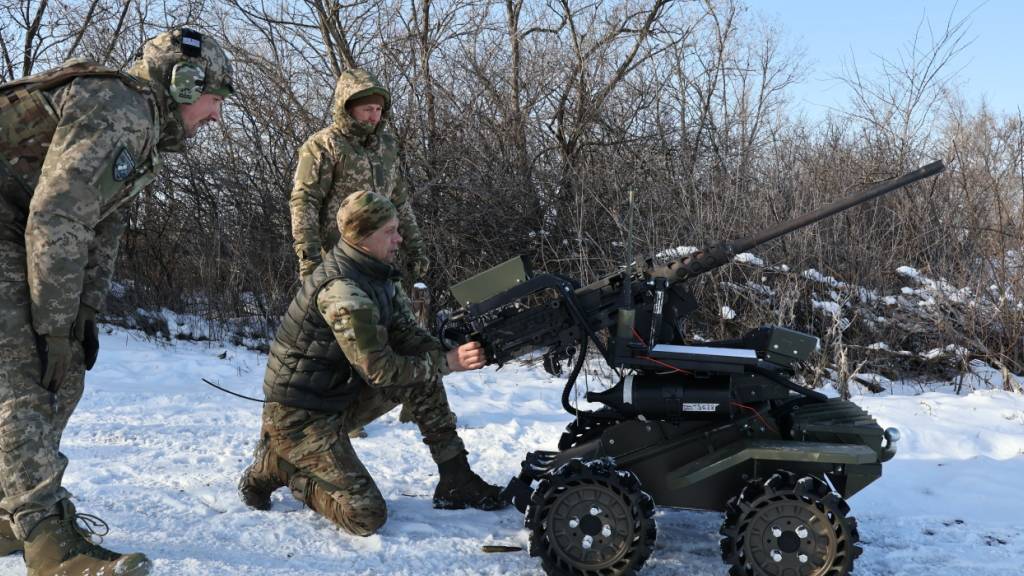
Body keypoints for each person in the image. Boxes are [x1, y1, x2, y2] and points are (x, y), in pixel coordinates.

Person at [0, 28, 232, 576]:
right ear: (183, 83)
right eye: (216, 98)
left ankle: (9, 512)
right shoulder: (120, 105)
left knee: (66, 372)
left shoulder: (141, 126)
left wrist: (80, 317)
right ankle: (45, 538)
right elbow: (58, 216)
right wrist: (51, 328)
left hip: (16, 222)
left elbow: (102, 224)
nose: (217, 115)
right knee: (27, 372)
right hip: (15, 224)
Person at [238, 191, 506, 536]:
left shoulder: (377, 274)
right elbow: (378, 369)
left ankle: (456, 478)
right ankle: (282, 467)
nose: (399, 238)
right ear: (363, 237)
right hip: (300, 417)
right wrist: (446, 362)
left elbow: (409, 337)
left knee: (421, 371)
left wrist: (452, 348)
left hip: (338, 398)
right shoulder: (343, 291)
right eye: (390, 231)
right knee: (365, 516)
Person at [290, 67, 429, 439]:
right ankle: (340, 414)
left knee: (405, 328)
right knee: (343, 342)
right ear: (347, 107)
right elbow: (304, 202)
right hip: (338, 261)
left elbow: (400, 200)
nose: (374, 117)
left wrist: (413, 244)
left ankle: (418, 401)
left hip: (381, 259)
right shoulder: (322, 146)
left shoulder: (387, 147)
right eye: (366, 109)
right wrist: (309, 259)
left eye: (379, 110)